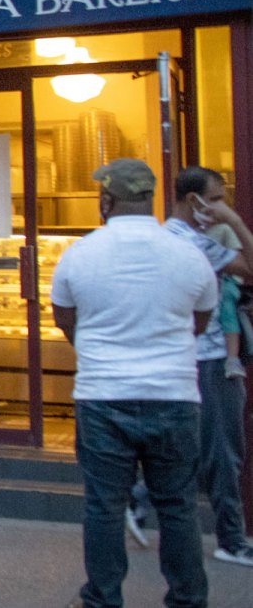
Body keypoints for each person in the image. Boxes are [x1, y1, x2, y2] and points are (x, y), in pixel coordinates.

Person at [51, 158, 218, 608]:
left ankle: (103, 598)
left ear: (105, 200)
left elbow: (66, 319)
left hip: (103, 395)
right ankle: (188, 598)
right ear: (150, 199)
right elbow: (199, 318)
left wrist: (97, 348)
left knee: (104, 507)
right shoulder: (187, 253)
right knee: (177, 507)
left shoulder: (80, 253)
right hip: (175, 394)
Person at [162, 165, 253, 567]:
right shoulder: (193, 243)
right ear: (192, 200)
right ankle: (231, 539)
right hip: (211, 357)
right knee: (223, 450)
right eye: (215, 198)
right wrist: (234, 220)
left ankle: (140, 503)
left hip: (185, 358)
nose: (222, 206)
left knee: (190, 450)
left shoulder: (172, 237)